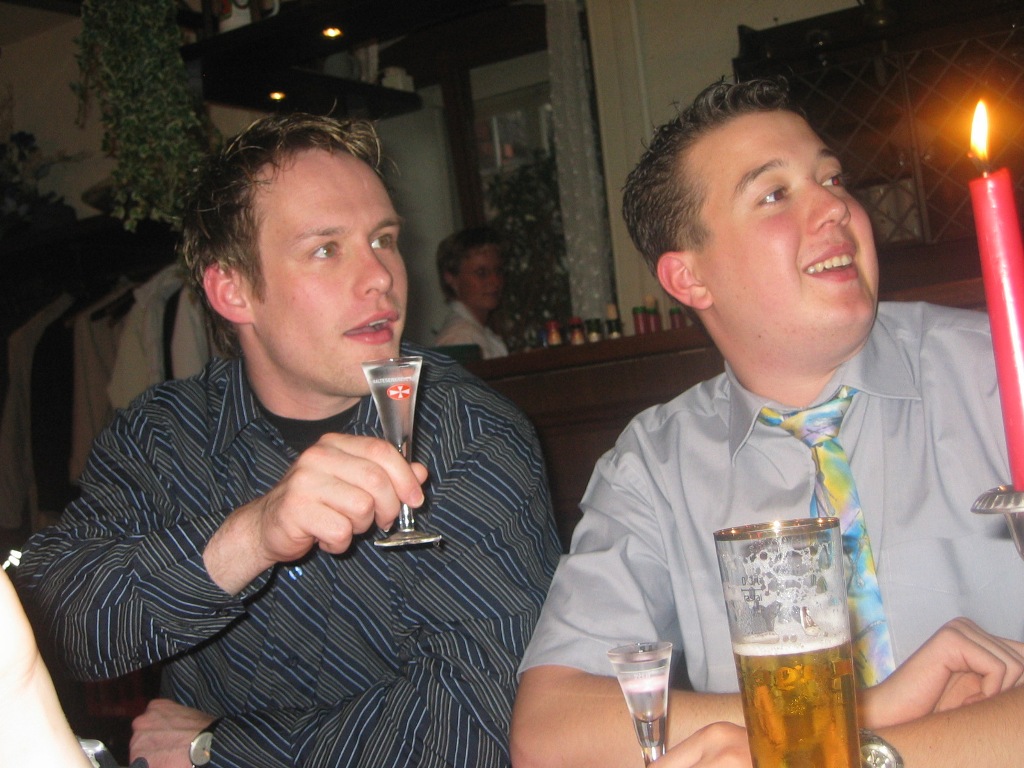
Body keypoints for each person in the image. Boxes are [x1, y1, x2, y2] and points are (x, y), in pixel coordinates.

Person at [14, 113, 561, 768]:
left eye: (383, 239)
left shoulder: (473, 436)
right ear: (233, 290)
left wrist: (217, 747)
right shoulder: (162, 437)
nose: (381, 276)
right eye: (327, 249)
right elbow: (56, 622)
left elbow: (486, 718)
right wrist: (250, 537)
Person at [510, 78, 1024, 767]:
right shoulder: (655, 467)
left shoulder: (1002, 373)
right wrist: (863, 712)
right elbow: (550, 730)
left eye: (832, 178)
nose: (836, 207)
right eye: (775, 194)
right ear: (689, 279)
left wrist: (835, 748)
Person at [433, 225, 509, 358]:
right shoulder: (459, 339)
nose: (495, 281)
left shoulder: (478, 332)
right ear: (451, 278)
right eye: (481, 273)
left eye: (498, 271)